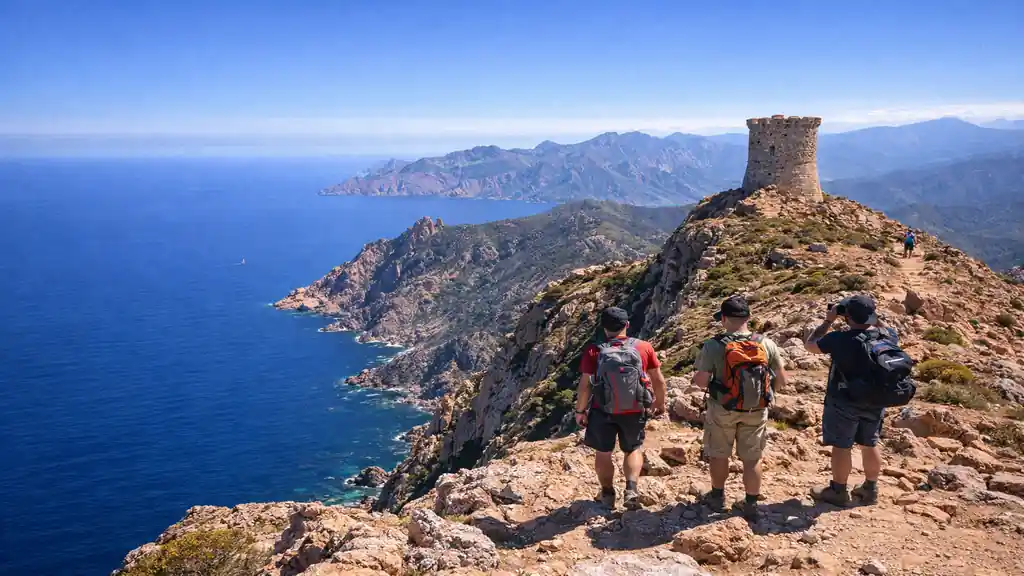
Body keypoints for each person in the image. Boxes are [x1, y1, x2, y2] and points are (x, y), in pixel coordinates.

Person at [693, 296, 787, 520]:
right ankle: (751, 503)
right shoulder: (766, 343)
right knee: (752, 458)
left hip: (722, 408)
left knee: (719, 454)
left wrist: (722, 387)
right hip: (756, 409)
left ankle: (717, 497)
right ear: (749, 318)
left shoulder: (713, 345)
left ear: (723, 319)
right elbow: (782, 379)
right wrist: (762, 393)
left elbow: (700, 381)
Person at [803, 294, 896, 506]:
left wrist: (828, 320)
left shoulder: (839, 339)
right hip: (875, 399)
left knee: (842, 446)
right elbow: (888, 329)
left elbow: (811, 345)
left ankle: (838, 491)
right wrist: (872, 317)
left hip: (843, 400)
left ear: (847, 316)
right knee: (869, 442)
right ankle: (870, 489)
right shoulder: (886, 335)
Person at [575, 306, 667, 510]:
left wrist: (580, 411)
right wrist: (659, 403)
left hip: (602, 410)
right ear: (627, 325)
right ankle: (631, 489)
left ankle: (607, 493)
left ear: (604, 327)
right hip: (635, 408)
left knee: (603, 452)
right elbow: (658, 379)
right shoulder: (644, 347)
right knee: (633, 449)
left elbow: (585, 385)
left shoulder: (594, 350)